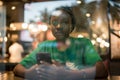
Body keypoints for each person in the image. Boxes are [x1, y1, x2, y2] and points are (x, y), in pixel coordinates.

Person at [13, 6, 108, 80]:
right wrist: (30, 73)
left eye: (65, 22)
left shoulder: (83, 44)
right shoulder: (44, 46)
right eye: (54, 22)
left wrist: (69, 75)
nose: (58, 26)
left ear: (72, 26)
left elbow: (102, 70)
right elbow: (17, 68)